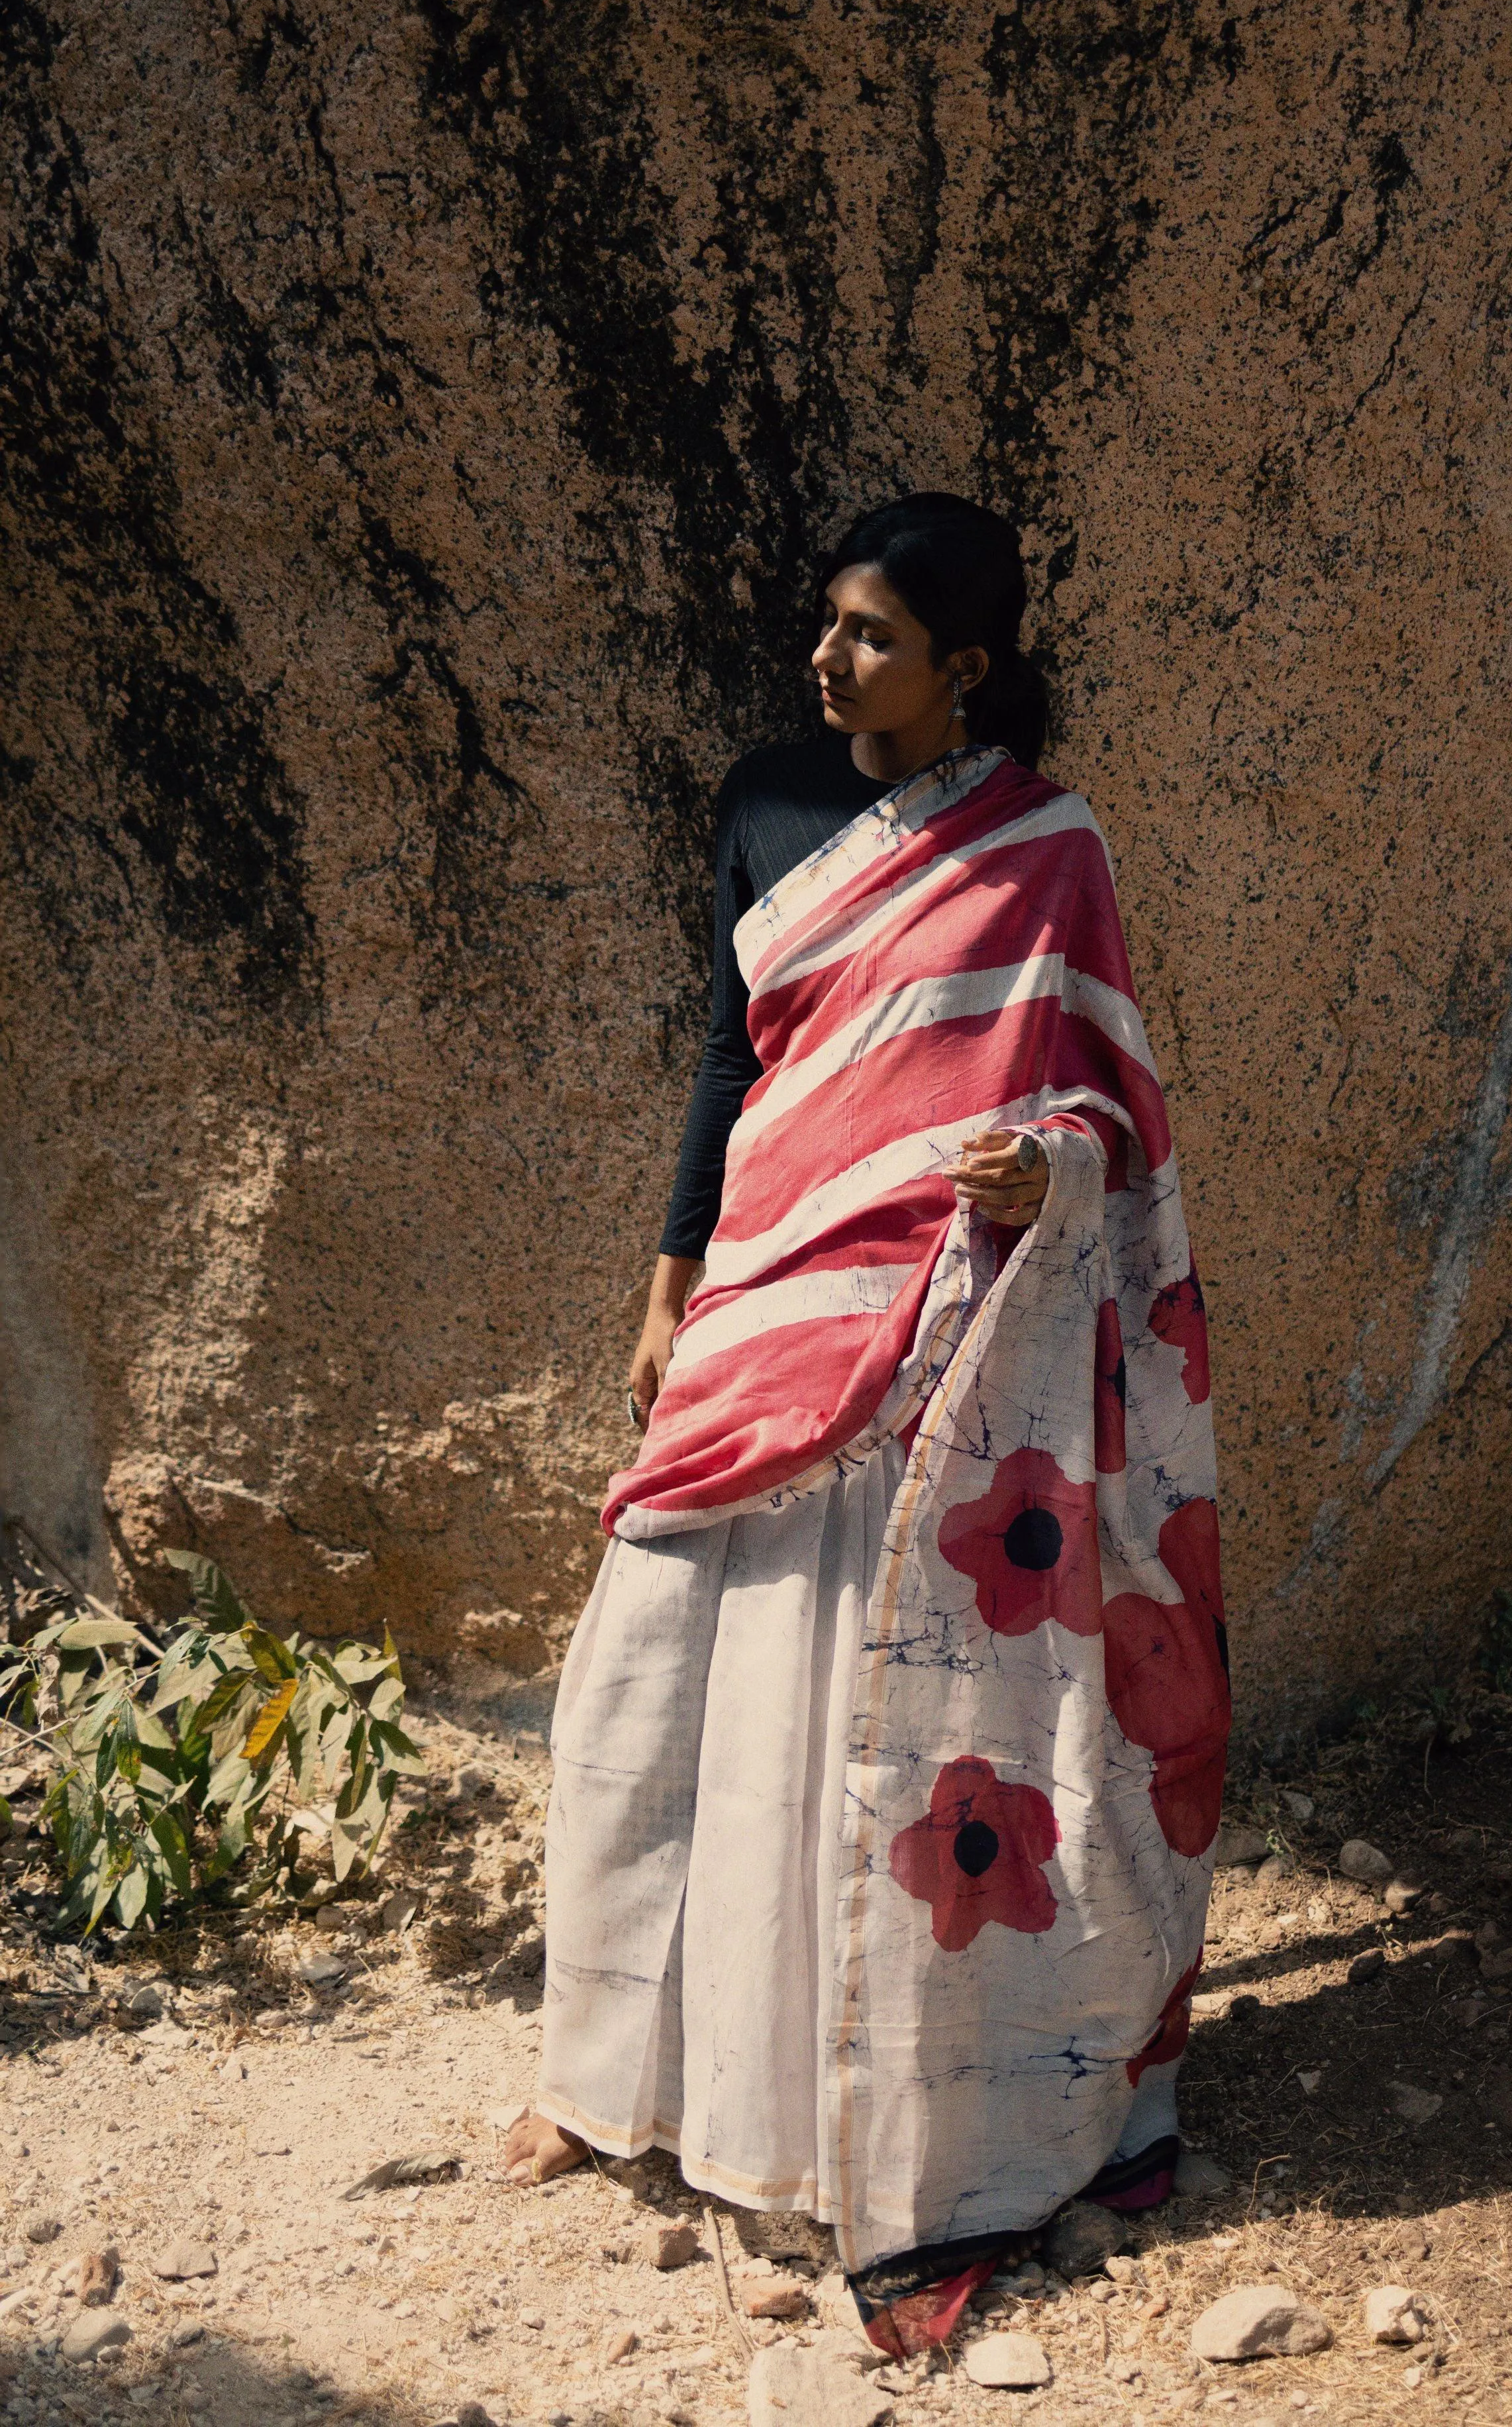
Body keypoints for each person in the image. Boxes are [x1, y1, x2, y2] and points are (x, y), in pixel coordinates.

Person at [505, 493, 1228, 2354]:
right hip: (769, 1291)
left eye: (873, 635)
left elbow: (1106, 1111)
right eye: (828, 622)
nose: (829, 661)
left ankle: (850, 2117)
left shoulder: (1047, 850)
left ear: (966, 668)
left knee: (867, 1724)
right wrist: (672, 1283)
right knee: (651, 1690)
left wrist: (1034, 1170)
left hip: (931, 1336)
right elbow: (739, 1055)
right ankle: (622, 2078)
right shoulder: (765, 800)